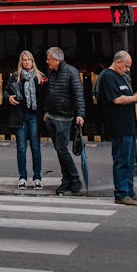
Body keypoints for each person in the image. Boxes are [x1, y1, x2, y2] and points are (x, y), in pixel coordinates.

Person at [98, 49, 137, 206]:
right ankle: (121, 193)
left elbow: (125, 97)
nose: (127, 70)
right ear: (118, 61)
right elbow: (117, 100)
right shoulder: (108, 76)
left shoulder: (121, 77)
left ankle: (129, 191)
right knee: (121, 160)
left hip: (128, 126)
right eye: (126, 66)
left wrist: (135, 94)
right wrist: (135, 98)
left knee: (129, 160)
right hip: (118, 126)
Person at [44, 46, 85, 195]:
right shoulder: (52, 72)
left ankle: (74, 179)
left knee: (61, 150)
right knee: (60, 150)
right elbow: (49, 93)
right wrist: (47, 111)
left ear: (56, 60)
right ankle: (67, 180)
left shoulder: (71, 72)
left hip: (64, 118)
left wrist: (80, 114)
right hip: (52, 116)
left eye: (49, 60)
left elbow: (78, 95)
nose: (47, 62)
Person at [6, 50, 47, 189]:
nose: (27, 62)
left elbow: (46, 96)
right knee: (21, 148)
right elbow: (6, 92)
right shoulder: (15, 77)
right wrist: (9, 98)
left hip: (34, 116)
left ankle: (37, 178)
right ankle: (22, 177)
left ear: (33, 61)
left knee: (36, 148)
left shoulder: (40, 77)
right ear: (21, 62)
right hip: (20, 116)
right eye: (24, 60)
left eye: (29, 59)